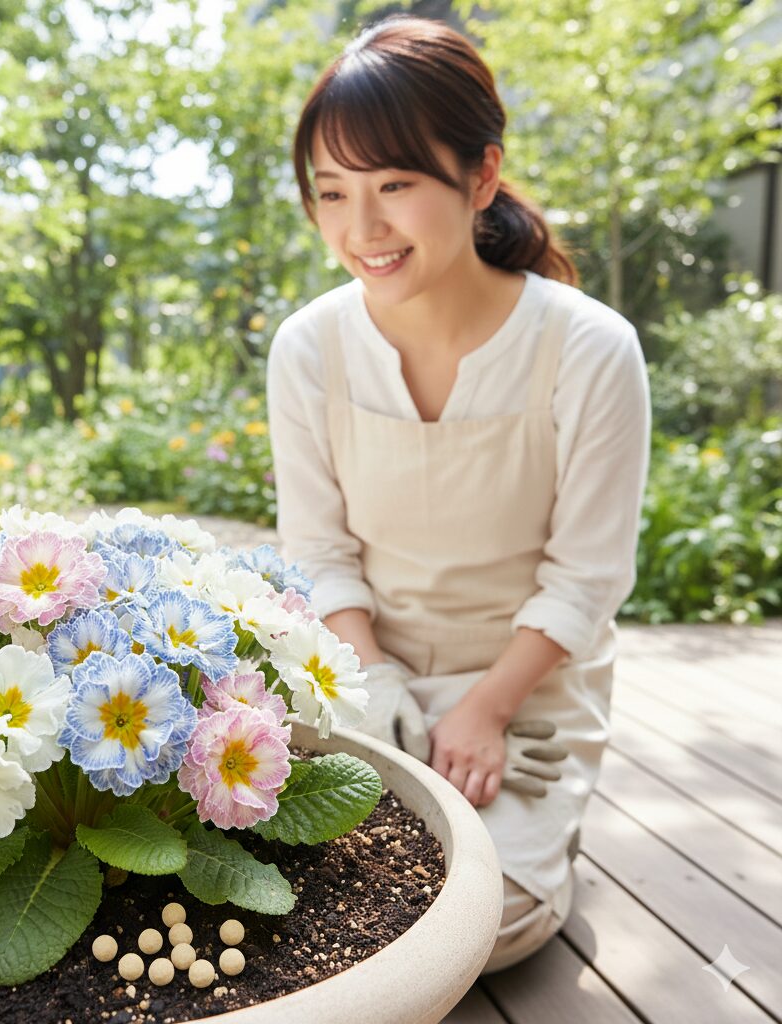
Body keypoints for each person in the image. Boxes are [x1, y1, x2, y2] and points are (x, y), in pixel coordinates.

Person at [266, 16, 650, 972]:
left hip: (526, 694)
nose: (363, 230)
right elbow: (318, 553)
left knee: (484, 924)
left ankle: (544, 840)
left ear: (480, 177)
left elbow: (589, 574)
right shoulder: (309, 347)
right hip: (364, 676)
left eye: (396, 185)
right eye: (333, 193)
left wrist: (483, 709)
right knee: (289, 885)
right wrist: (377, 682)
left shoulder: (589, 346)